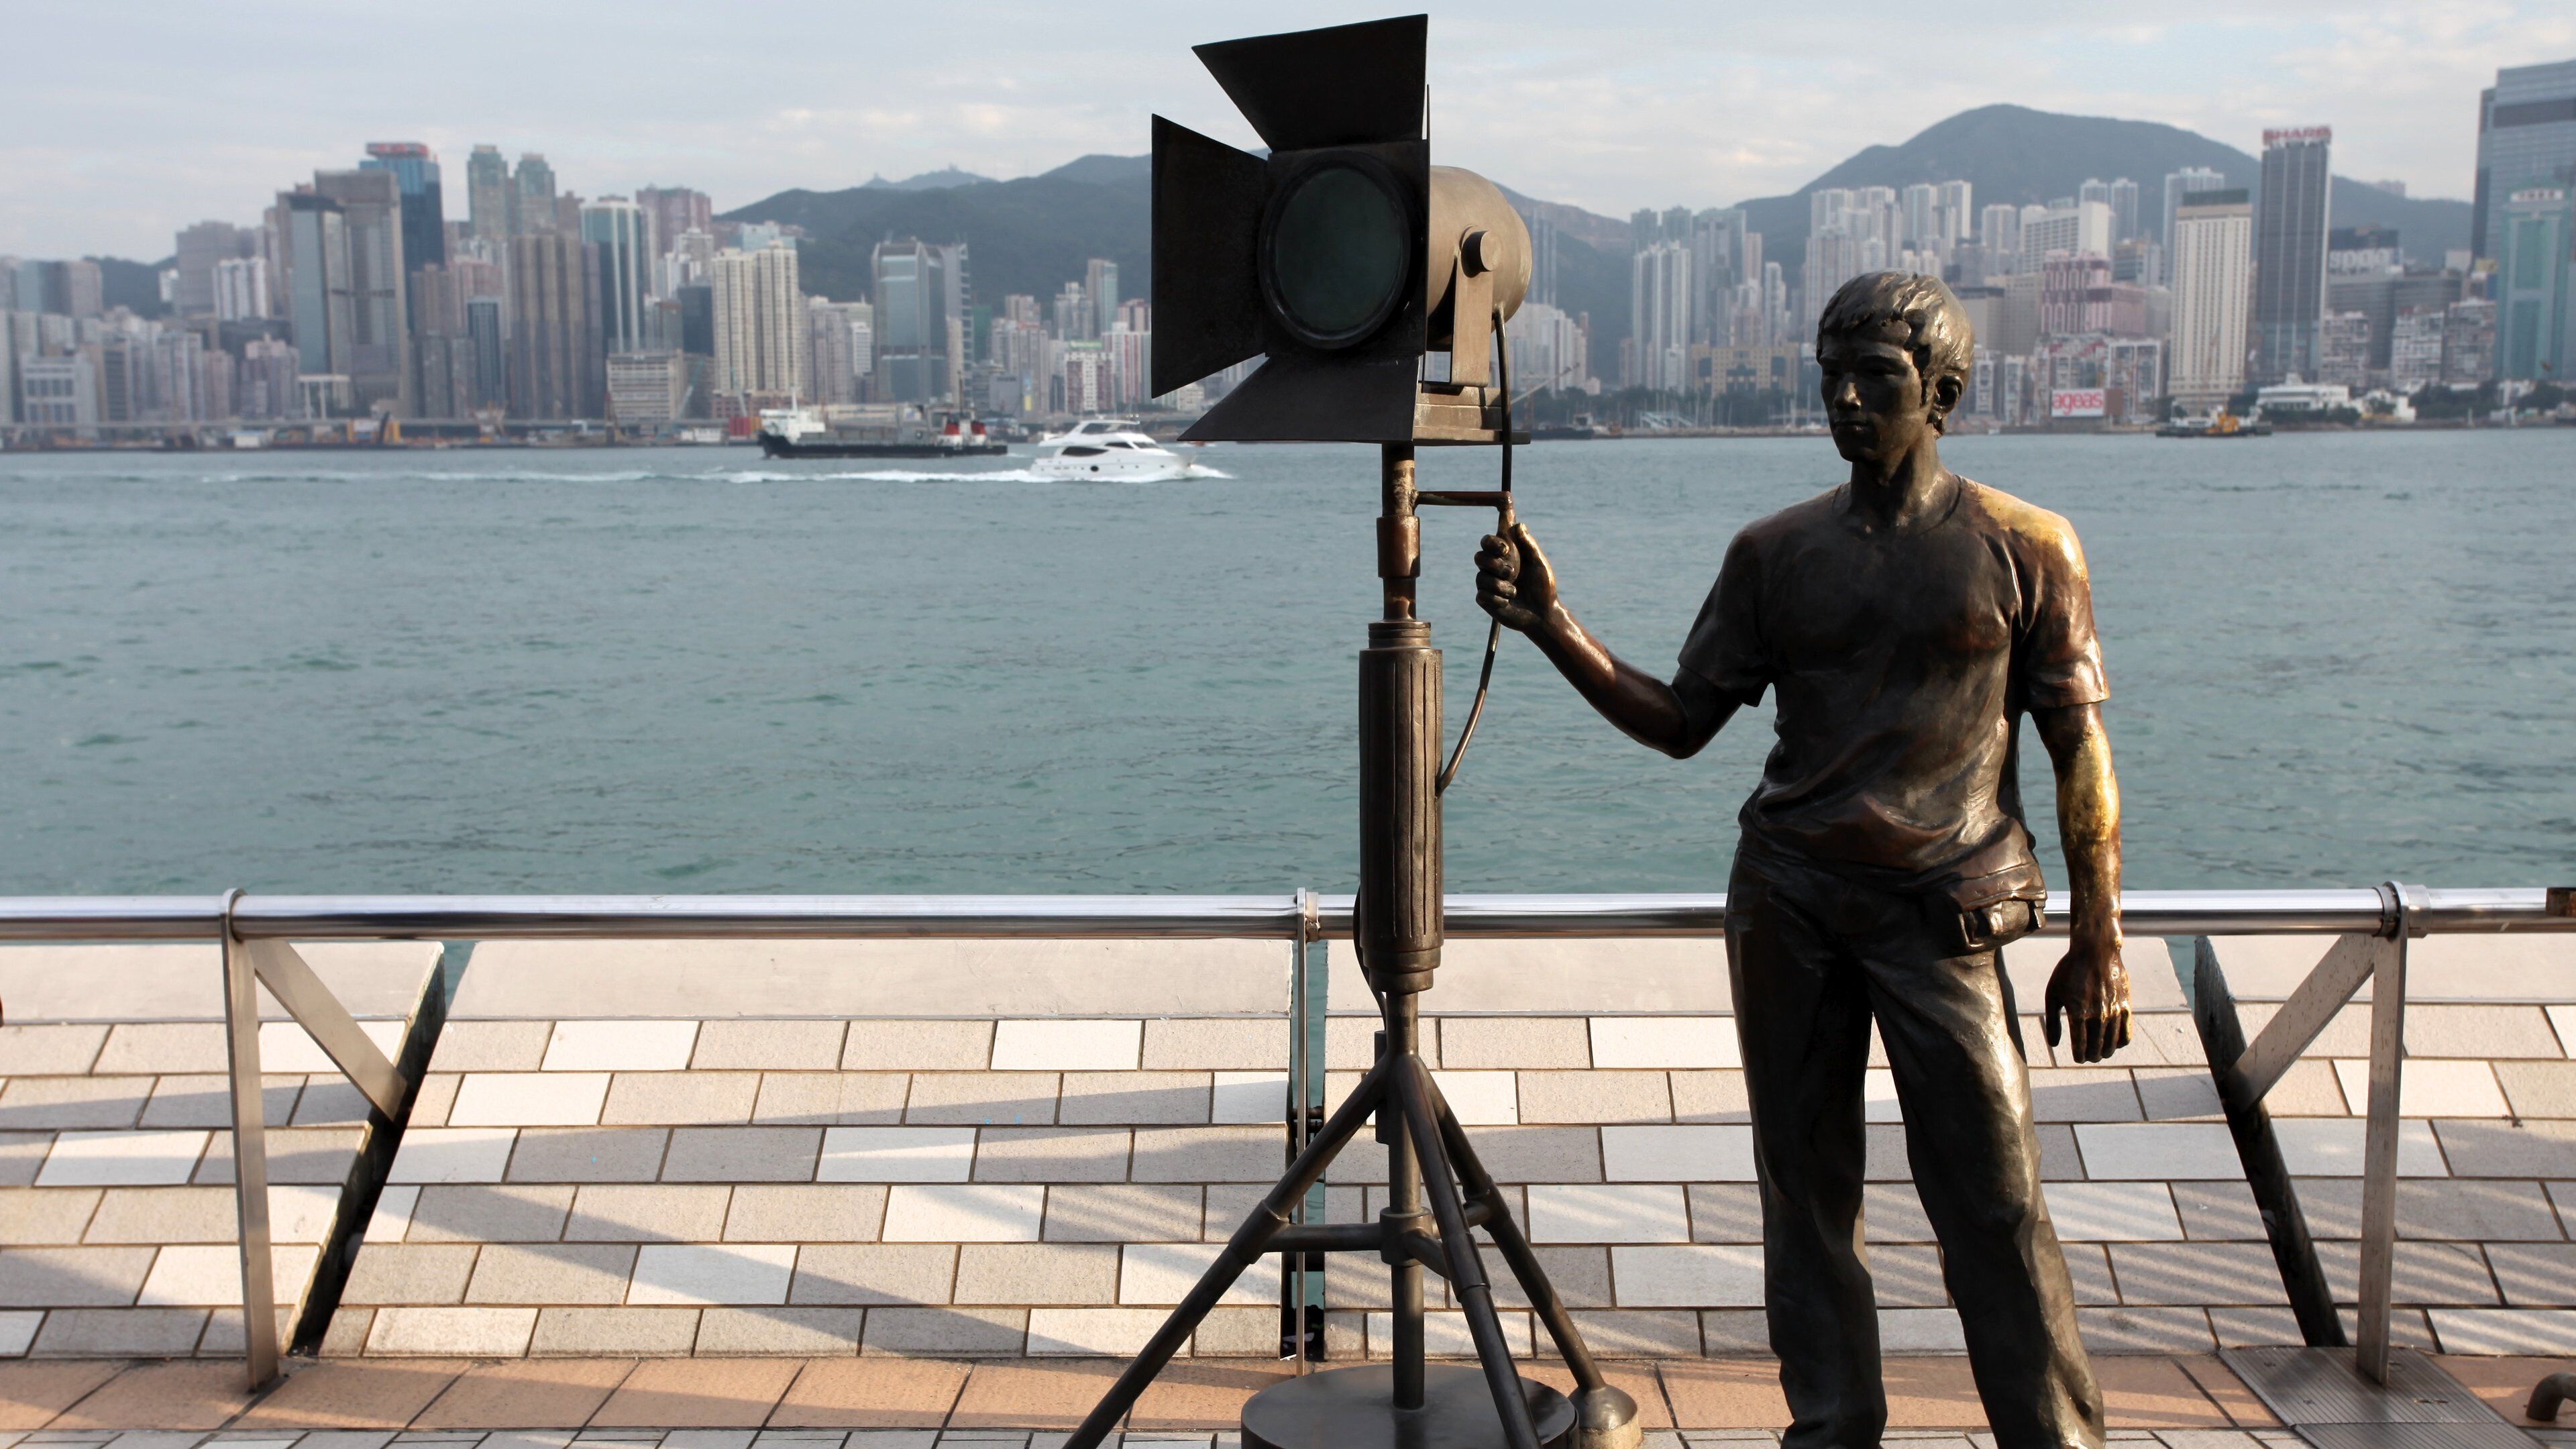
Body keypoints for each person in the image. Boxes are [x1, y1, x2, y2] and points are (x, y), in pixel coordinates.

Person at [1473, 270, 2129, 1449]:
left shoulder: (2028, 547)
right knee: (1805, 1200)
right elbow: (1681, 722)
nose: (1845, 400)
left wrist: (2101, 936)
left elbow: (2082, 745)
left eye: (1876, 378)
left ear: (1944, 395)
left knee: (1998, 1204)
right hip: (1790, 905)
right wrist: (1550, 626)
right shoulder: (1773, 555)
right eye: (1830, 375)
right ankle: (1832, 1433)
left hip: (1945, 917)